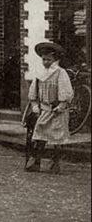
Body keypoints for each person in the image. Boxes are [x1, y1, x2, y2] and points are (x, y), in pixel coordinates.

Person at [24, 41, 74, 174]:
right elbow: (33, 91)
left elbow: (66, 91)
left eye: (49, 60)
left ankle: (55, 163)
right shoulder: (40, 74)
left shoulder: (60, 73)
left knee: (57, 137)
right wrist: (35, 105)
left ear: (55, 59)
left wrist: (62, 105)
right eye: (44, 59)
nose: (46, 62)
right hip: (45, 109)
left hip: (57, 110)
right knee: (40, 133)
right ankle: (37, 162)